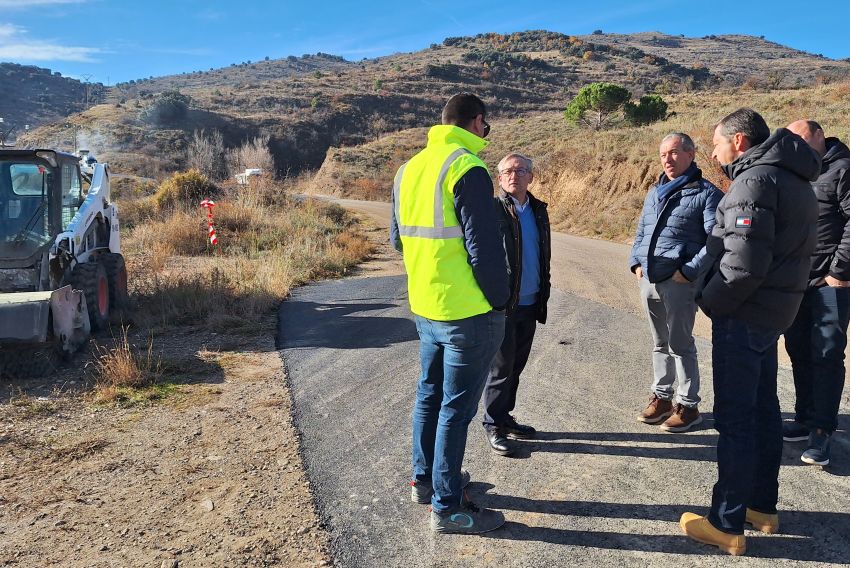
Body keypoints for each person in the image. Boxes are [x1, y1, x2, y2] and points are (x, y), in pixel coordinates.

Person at [680, 109, 820, 556]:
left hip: (743, 315)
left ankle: (725, 523)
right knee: (763, 411)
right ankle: (762, 507)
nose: (714, 152)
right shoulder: (795, 178)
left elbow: (743, 265)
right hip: (772, 313)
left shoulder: (755, 180)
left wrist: (709, 302)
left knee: (736, 418)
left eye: (717, 143)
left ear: (739, 140)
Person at [390, 93, 509, 534]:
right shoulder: (467, 167)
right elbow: (485, 250)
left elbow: (397, 240)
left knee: (429, 397)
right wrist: (500, 301)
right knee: (455, 411)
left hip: (426, 308)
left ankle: (426, 481)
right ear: (477, 122)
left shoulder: (407, 170)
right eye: (485, 125)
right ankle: (448, 507)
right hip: (468, 313)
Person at [629, 133, 722, 432]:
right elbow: (641, 231)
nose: (667, 159)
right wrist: (636, 263)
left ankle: (688, 405)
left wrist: (691, 271)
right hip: (649, 279)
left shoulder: (707, 193)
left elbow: (716, 239)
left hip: (680, 281)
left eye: (673, 153)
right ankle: (662, 398)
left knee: (680, 344)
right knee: (659, 342)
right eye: (662, 154)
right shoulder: (655, 192)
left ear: (690, 154)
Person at [782, 120, 850, 467]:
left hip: (830, 282)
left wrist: (840, 271)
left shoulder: (843, 168)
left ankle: (822, 430)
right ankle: (804, 417)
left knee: (826, 354)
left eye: (800, 137)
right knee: (797, 349)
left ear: (819, 135)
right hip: (797, 280)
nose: (795, 144)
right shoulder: (797, 172)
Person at [482, 153, 551, 457]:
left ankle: (505, 416)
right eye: (508, 171)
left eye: (521, 170)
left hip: (531, 301)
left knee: (517, 365)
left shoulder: (538, 210)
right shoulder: (491, 209)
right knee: (501, 367)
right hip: (503, 304)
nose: (514, 175)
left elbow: (543, 253)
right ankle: (493, 424)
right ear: (499, 178)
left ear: (531, 177)